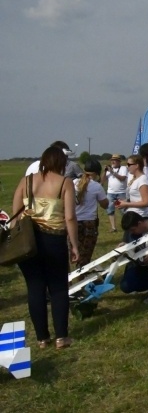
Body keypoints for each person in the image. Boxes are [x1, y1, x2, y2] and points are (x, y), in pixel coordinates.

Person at [13, 146, 79, 349]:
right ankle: (61, 337)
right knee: (58, 288)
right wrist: (74, 245)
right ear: (61, 163)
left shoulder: (26, 181)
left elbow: (15, 214)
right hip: (54, 241)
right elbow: (69, 217)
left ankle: (42, 338)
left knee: (35, 288)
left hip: (28, 243)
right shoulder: (65, 183)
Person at [72, 159, 109, 269]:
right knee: (85, 255)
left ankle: (69, 282)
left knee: (73, 254)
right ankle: (82, 281)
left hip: (73, 223)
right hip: (89, 224)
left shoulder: (73, 183)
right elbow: (105, 205)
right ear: (97, 173)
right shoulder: (96, 186)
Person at [101, 153, 127, 232]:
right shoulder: (109, 169)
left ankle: (126, 225)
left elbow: (122, 178)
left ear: (119, 161)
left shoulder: (123, 168)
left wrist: (112, 172)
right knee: (110, 210)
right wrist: (105, 172)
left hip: (121, 192)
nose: (113, 162)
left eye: (115, 160)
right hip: (110, 193)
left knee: (124, 210)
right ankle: (113, 227)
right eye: (112, 160)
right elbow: (102, 181)